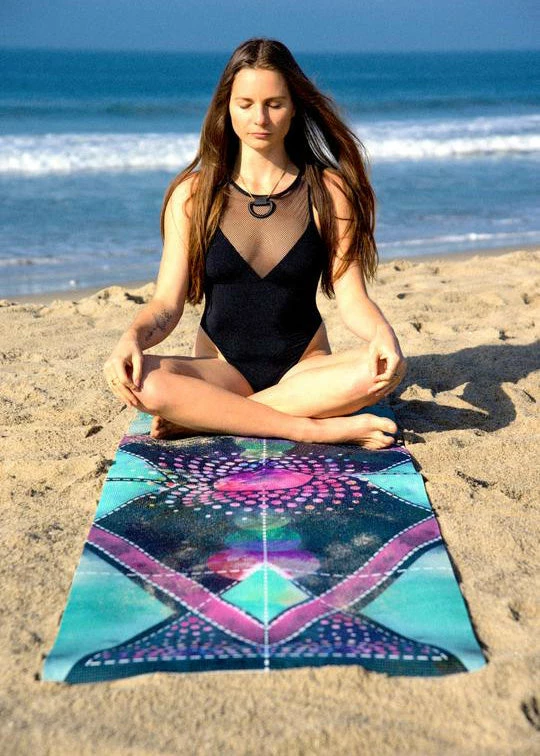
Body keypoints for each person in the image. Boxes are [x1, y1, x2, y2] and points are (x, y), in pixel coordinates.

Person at [103, 38, 407, 449]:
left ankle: (213, 417)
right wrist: (132, 338)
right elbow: (165, 304)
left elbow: (352, 299)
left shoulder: (328, 191)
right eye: (245, 104)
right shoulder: (193, 195)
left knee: (380, 369)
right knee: (140, 380)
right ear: (226, 107)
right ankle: (309, 427)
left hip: (304, 369)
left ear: (294, 107)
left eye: (274, 104)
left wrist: (383, 334)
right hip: (220, 370)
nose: (259, 118)